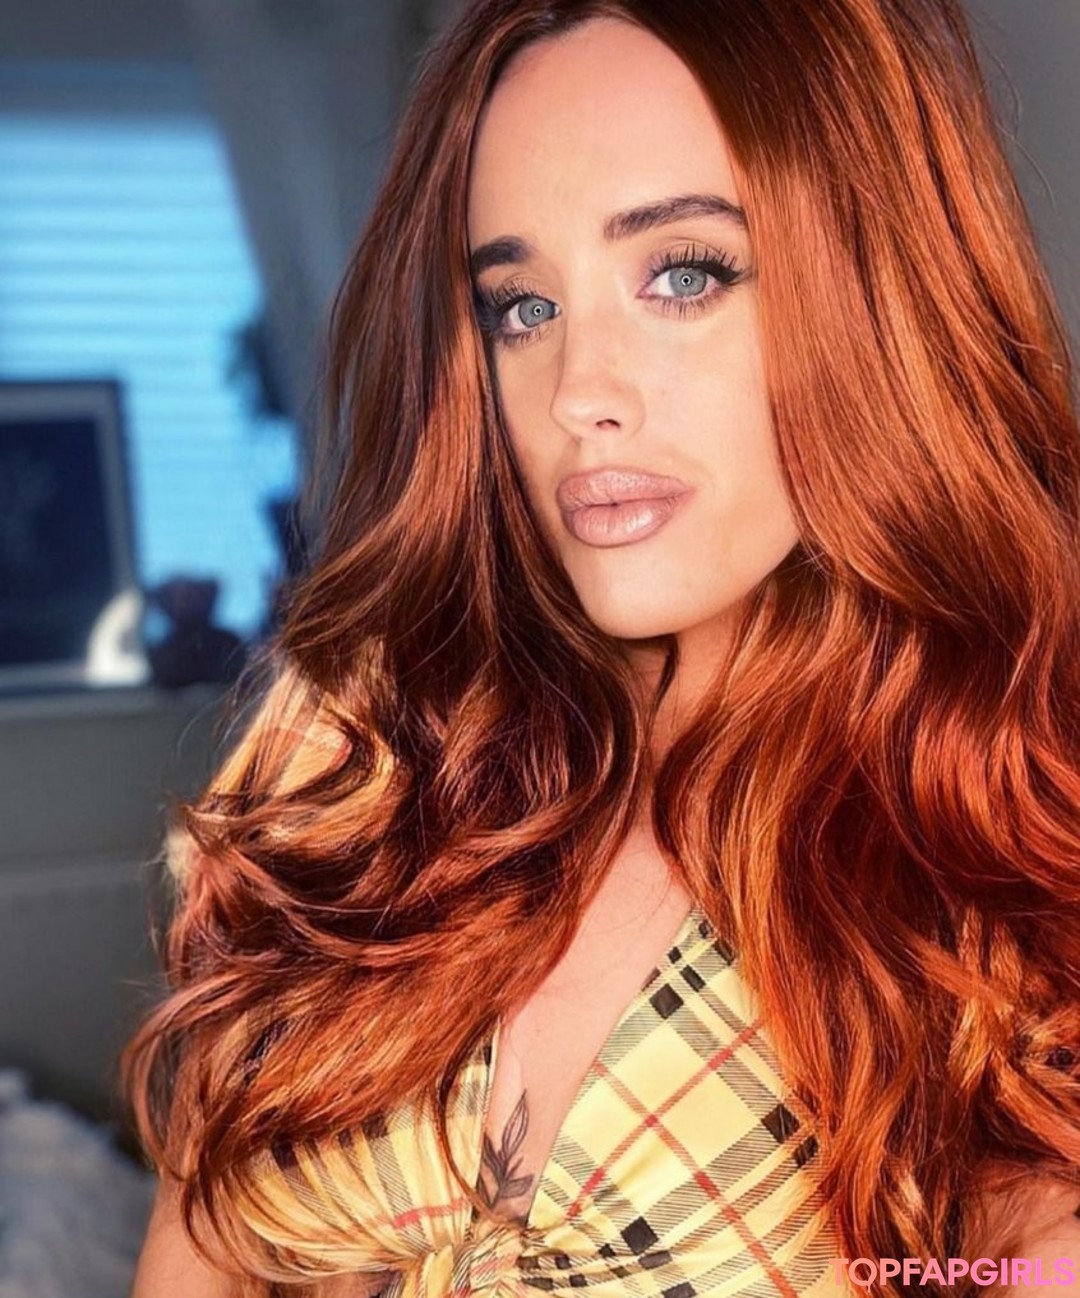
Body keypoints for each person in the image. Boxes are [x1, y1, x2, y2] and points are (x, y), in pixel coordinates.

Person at [124, 0, 1080, 1294]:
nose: (579, 391)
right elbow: (205, 1242)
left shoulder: (991, 829)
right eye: (520, 306)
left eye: (683, 274)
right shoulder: (363, 743)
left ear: (878, 294)